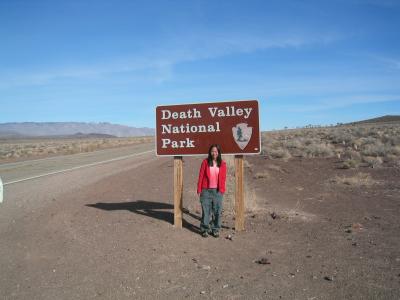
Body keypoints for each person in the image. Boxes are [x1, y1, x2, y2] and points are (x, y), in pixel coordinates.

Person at [197, 144, 227, 238]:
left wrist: (222, 190)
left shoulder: (222, 164)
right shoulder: (205, 162)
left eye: (216, 151)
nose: (214, 153)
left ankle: (215, 229)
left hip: (217, 191)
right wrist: (199, 189)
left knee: (217, 211)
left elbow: (223, 178)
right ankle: (205, 229)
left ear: (219, 152)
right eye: (212, 151)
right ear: (210, 152)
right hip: (206, 191)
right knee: (206, 211)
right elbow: (201, 176)